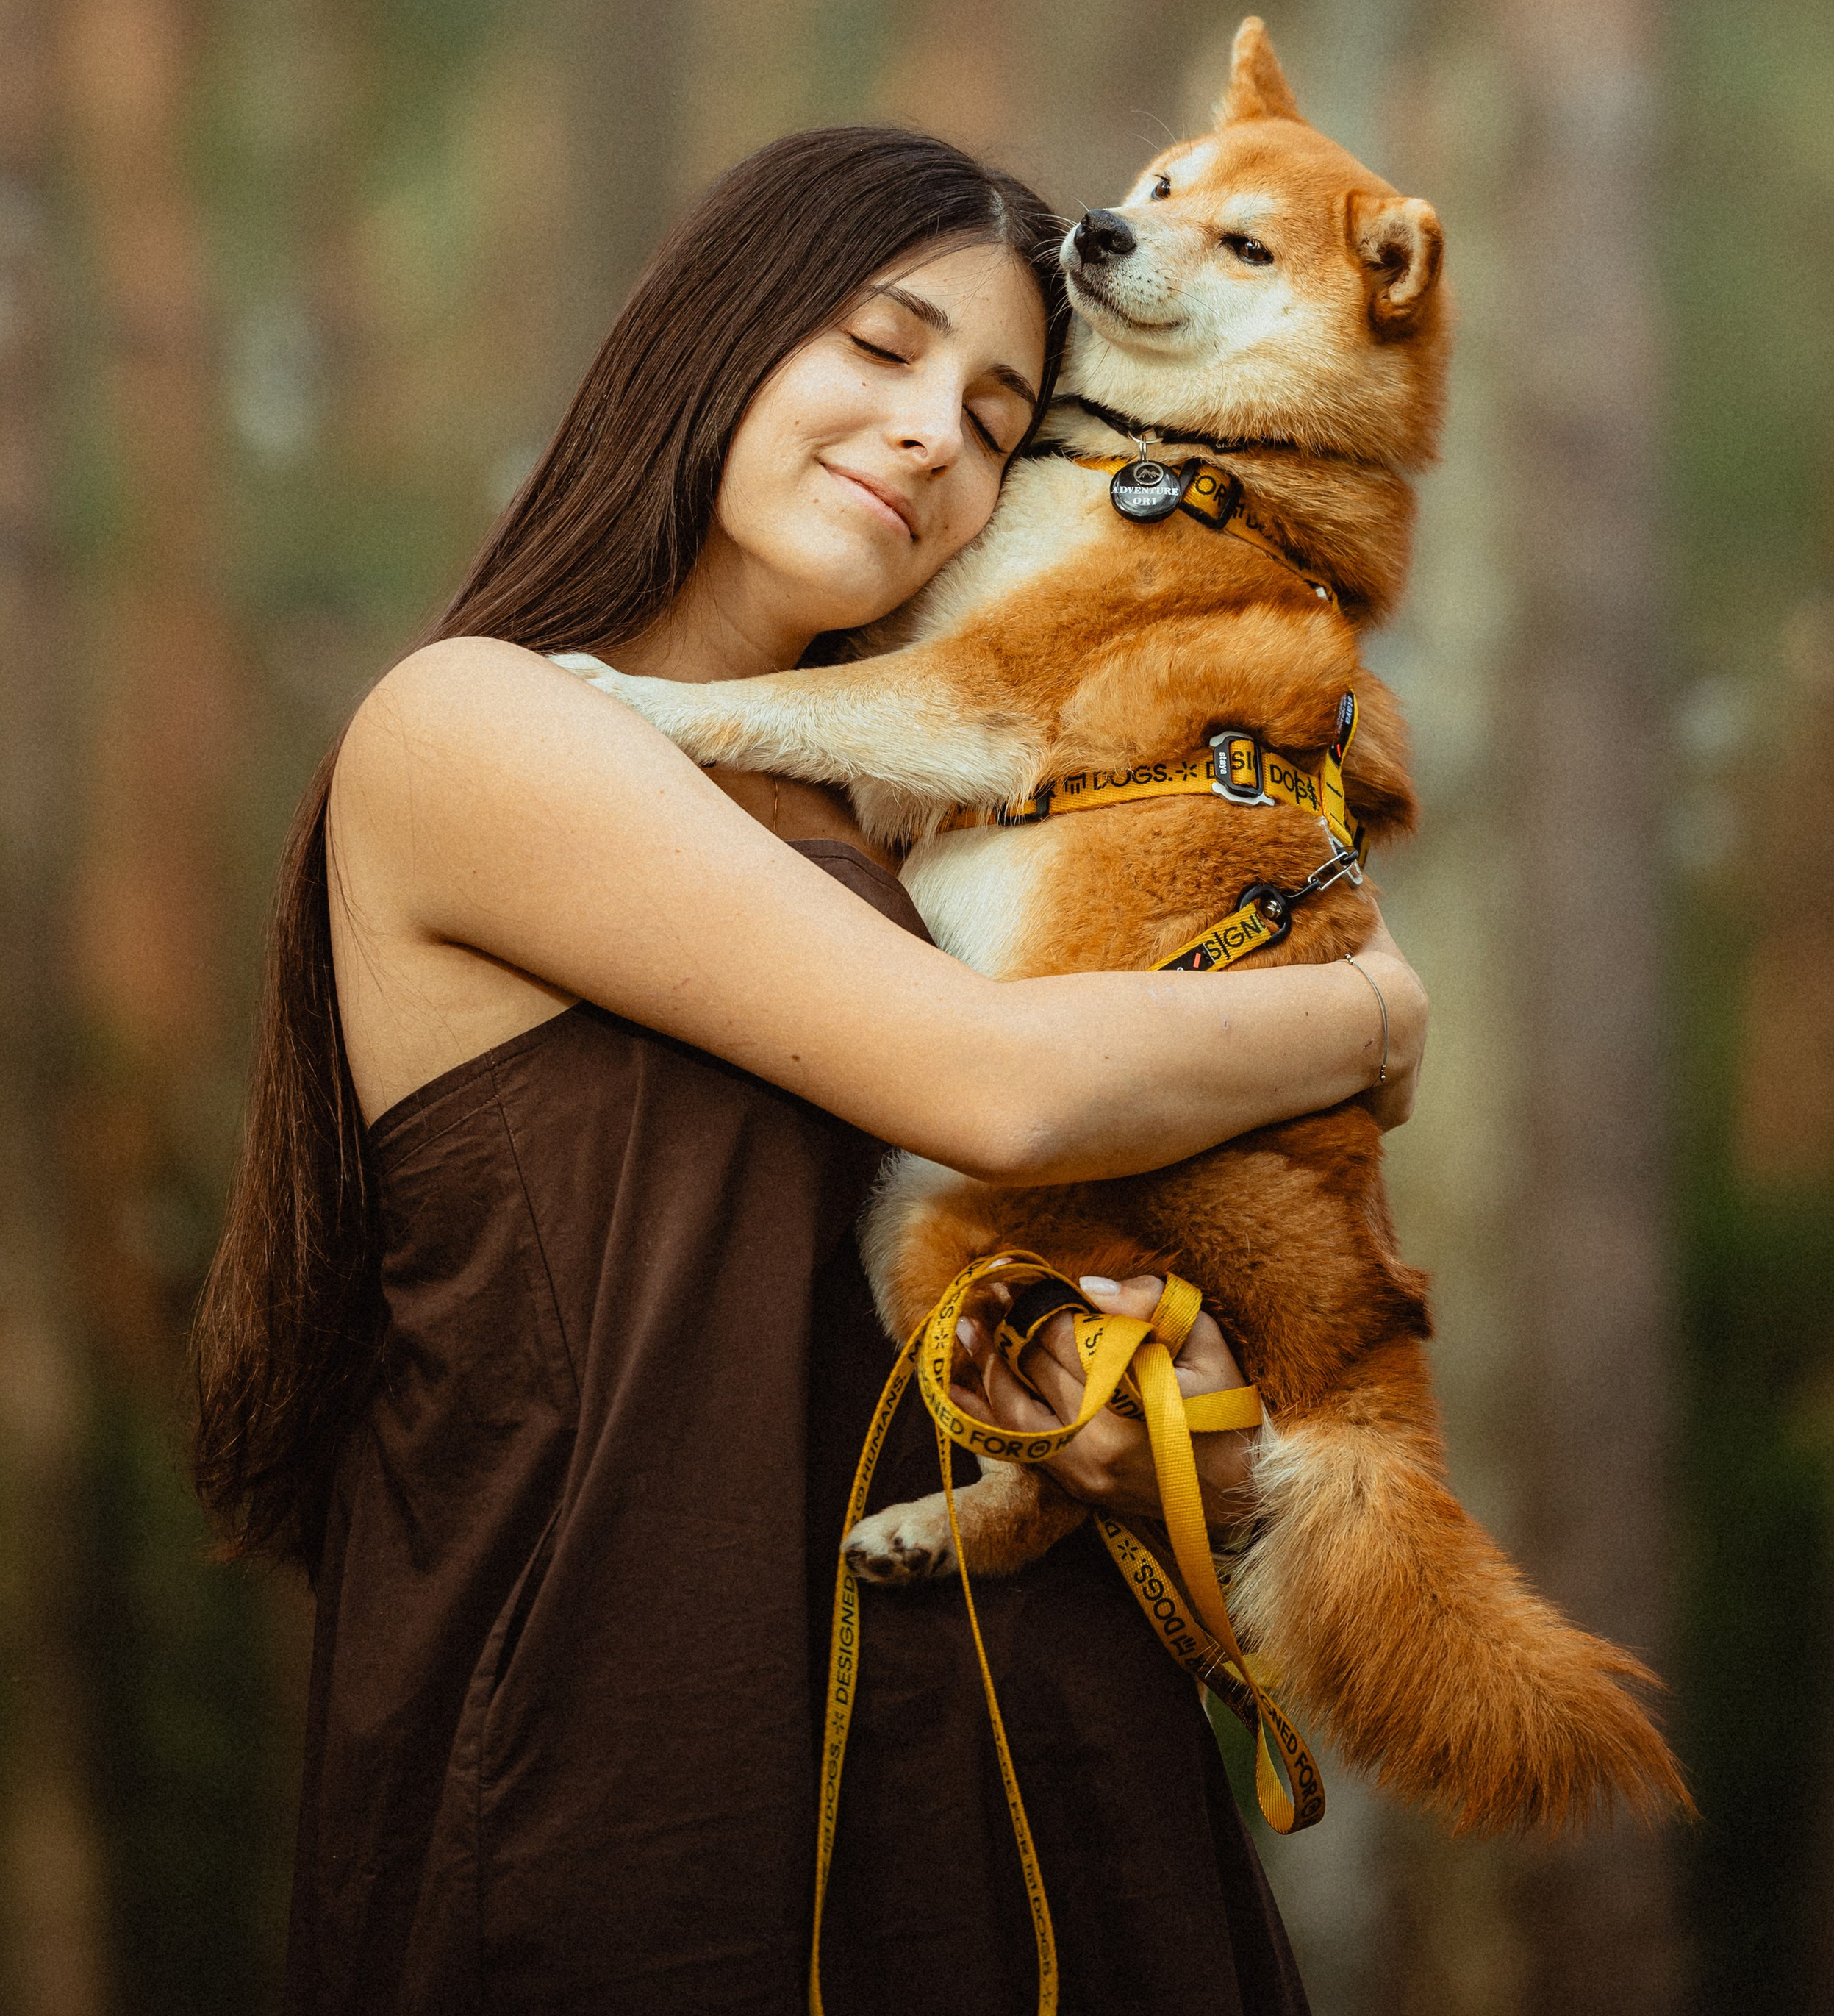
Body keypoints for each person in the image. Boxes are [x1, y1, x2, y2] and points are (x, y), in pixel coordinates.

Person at [192, 124, 1427, 2016]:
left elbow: (1031, 1227)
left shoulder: (925, 827)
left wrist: (1156, 1409)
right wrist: (1369, 1016)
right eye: (877, 343)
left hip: (1031, 1796)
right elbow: (993, 1087)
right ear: (717, 334)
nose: (936, 431)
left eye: (1001, 413)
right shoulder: (477, 726)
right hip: (639, 1801)